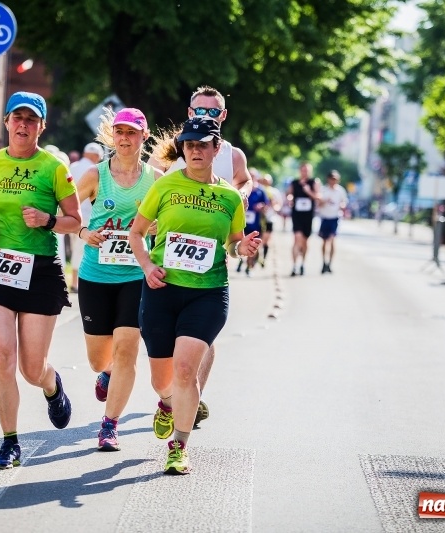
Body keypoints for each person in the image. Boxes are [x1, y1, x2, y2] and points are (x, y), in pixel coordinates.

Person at [129, 116, 260, 474]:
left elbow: (231, 245)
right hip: (162, 289)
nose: (196, 150)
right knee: (162, 380)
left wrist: (242, 248)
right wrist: (146, 267)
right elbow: (136, 234)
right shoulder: (166, 187)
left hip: (208, 293)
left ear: (217, 149)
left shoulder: (231, 197)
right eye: (190, 145)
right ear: (182, 149)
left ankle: (179, 446)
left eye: (203, 144)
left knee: (186, 370)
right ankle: (167, 404)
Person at [0, 91, 81, 470]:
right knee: (1, 356)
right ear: (6, 122)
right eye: (17, 118)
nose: (23, 125)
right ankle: (9, 442)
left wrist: (47, 221)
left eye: (31, 120)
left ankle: (52, 386)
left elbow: (75, 222)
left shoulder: (54, 167)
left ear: (41, 126)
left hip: (39, 271)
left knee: (31, 368)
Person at [150, 84, 253, 428]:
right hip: (168, 263)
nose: (205, 116)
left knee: (201, 336)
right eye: (199, 111)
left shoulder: (231, 153)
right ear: (190, 112)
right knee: (164, 359)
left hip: (212, 254)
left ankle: (190, 398)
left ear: (222, 116)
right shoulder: (175, 151)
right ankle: (174, 396)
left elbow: (245, 181)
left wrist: (236, 195)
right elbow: (152, 186)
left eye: (212, 111)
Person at [75, 108, 162, 451]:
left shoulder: (156, 179)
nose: (125, 138)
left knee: (127, 351)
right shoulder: (96, 175)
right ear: (113, 137)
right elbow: (63, 209)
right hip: (96, 274)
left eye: (132, 132)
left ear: (144, 136)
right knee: (100, 358)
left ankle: (110, 425)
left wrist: (157, 227)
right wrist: (83, 231)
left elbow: (173, 220)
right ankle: (106, 372)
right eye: (120, 132)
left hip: (135, 275)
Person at [68, 141, 105, 293]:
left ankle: (74, 281)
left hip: (69, 214)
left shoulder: (73, 167)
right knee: (83, 250)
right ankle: (77, 283)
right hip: (89, 215)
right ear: (97, 157)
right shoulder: (96, 171)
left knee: (74, 249)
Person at [287, 162, 319, 276]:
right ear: (300, 171)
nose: (304, 172)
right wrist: (290, 199)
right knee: (297, 238)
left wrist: (308, 191)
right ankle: (294, 266)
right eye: (303, 170)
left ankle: (303, 264)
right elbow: (289, 194)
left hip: (308, 216)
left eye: (307, 170)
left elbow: (318, 197)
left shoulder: (314, 182)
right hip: (297, 215)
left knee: (305, 241)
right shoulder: (294, 182)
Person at [237, 170, 269, 276]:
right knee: (240, 243)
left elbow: (266, 205)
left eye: (253, 175)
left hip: (255, 223)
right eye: (249, 175)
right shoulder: (241, 189)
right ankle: (241, 261)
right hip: (241, 223)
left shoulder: (260, 191)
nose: (251, 177)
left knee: (252, 245)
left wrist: (261, 206)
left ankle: (249, 267)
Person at [316, 170, 348, 274]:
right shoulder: (324, 190)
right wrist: (324, 201)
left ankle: (330, 263)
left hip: (335, 218)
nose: (333, 181)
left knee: (332, 239)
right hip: (325, 217)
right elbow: (319, 203)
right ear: (328, 179)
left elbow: (344, 202)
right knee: (325, 241)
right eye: (332, 179)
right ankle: (324, 262)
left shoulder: (340, 191)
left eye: (335, 179)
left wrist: (343, 207)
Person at [259, 173, 283, 266]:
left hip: (270, 218)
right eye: (264, 181)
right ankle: (255, 258)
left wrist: (274, 205)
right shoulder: (260, 191)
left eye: (267, 181)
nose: (265, 183)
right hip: (259, 219)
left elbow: (278, 205)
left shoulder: (274, 192)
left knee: (266, 239)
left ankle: (264, 258)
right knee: (259, 239)